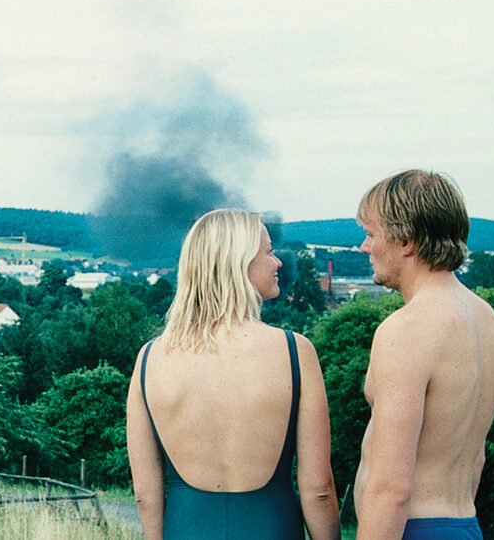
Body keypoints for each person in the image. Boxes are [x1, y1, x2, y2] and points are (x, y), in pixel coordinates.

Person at [126, 208, 340, 539]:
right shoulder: (294, 351)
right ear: (239, 262)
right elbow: (318, 489)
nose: (278, 262)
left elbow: (145, 493)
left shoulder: (150, 358)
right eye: (268, 252)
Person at [354, 170, 494, 539]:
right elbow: (475, 457)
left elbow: (392, 488)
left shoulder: (406, 329)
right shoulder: (485, 318)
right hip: (462, 523)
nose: (364, 247)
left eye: (371, 234)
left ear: (406, 240)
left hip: (414, 529)